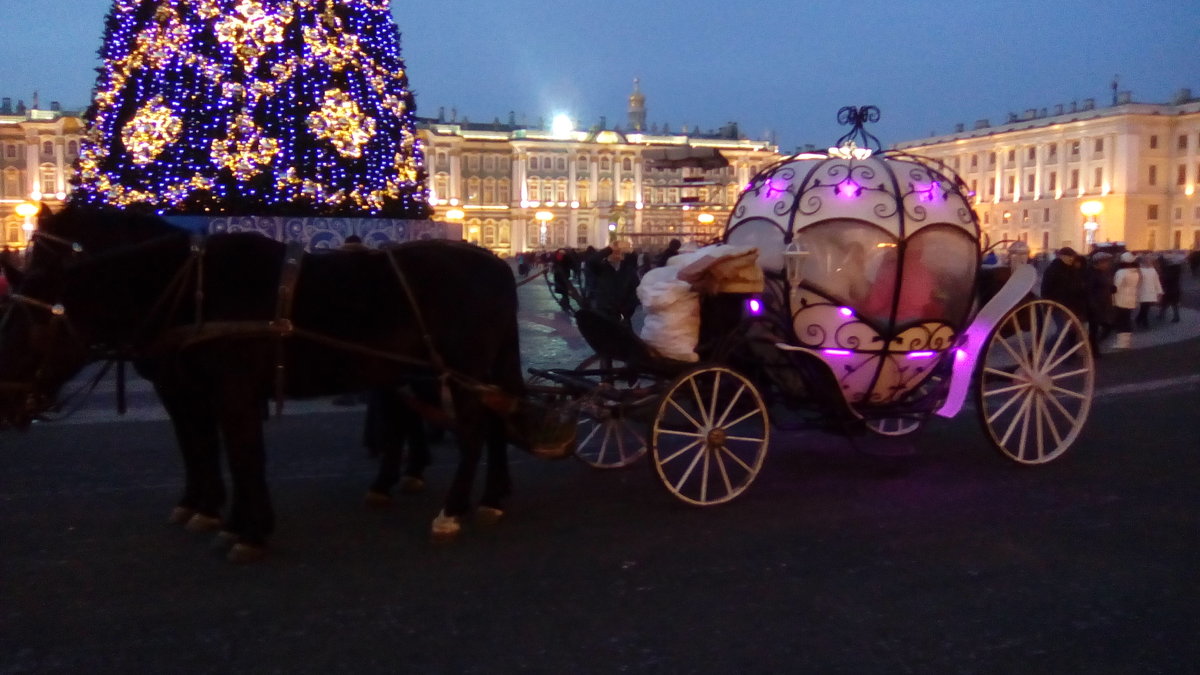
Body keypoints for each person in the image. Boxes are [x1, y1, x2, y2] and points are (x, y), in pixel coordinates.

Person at [586, 239, 640, 325]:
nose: (616, 254)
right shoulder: (601, 268)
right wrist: (609, 248)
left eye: (619, 252)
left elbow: (635, 290)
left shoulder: (628, 269)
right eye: (613, 252)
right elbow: (592, 261)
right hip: (604, 310)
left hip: (624, 313)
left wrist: (629, 249)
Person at [1040, 247, 1088, 320]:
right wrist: (1048, 304)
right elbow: (1045, 288)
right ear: (1062, 256)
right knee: (1063, 328)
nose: (1072, 259)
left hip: (1072, 306)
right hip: (1058, 306)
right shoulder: (1053, 270)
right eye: (1069, 256)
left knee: (1071, 329)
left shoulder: (1072, 270)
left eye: (1073, 257)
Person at [1085, 253, 1114, 357]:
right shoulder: (1092, 274)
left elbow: (1105, 285)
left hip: (1103, 304)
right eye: (1105, 262)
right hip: (1096, 305)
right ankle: (1093, 349)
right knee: (1095, 328)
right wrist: (1093, 305)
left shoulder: (1102, 273)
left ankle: (1093, 347)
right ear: (1099, 262)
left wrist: (1111, 288)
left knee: (1101, 327)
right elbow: (1089, 291)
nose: (1107, 264)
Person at [1111, 252, 1139, 349]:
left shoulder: (1121, 272)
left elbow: (1115, 287)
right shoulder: (1135, 272)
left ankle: (1121, 343)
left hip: (1120, 300)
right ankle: (1127, 342)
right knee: (1127, 320)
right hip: (1131, 299)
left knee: (1121, 321)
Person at [1134, 254, 1163, 329]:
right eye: (1147, 259)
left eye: (1150, 260)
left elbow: (1156, 281)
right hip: (1142, 291)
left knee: (1146, 307)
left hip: (1151, 291)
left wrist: (1159, 291)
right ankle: (1144, 321)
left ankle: (1139, 319)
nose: (1149, 261)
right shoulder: (1138, 269)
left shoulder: (1153, 270)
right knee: (1144, 307)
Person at [1157, 253, 1183, 323]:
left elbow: (1166, 277)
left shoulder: (1169, 269)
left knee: (1167, 303)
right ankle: (1173, 316)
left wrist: (1162, 278)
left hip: (1169, 289)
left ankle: (1172, 316)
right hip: (1174, 288)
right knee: (1172, 304)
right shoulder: (1177, 268)